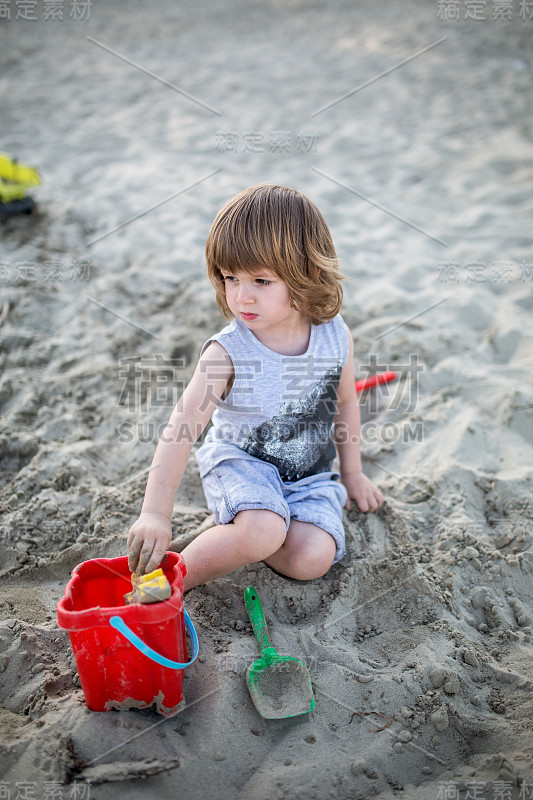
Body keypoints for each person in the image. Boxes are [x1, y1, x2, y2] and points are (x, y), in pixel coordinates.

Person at [127, 183, 383, 591]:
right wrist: (155, 514)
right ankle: (167, 585)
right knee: (264, 529)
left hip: (308, 477)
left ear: (308, 274)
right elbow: (181, 429)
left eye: (261, 281)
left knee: (312, 557)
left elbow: (347, 402)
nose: (241, 296)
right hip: (242, 464)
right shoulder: (226, 353)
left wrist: (352, 473)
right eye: (231, 278)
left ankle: (239, 528)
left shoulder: (336, 336)